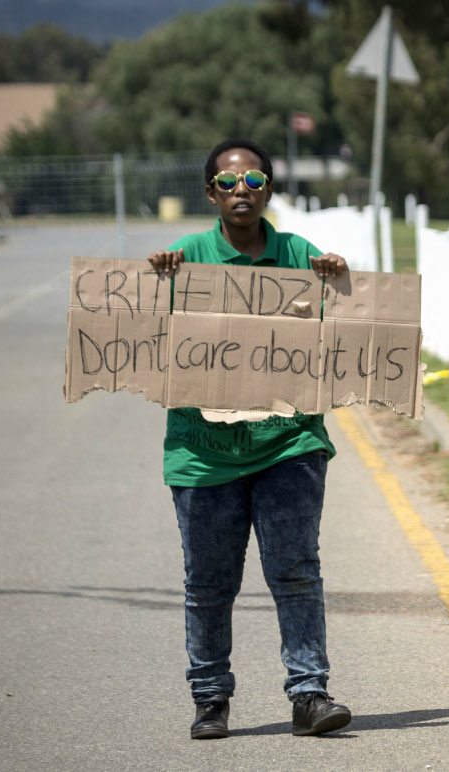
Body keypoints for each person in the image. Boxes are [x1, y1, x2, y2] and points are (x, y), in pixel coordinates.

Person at [147, 138, 351, 740]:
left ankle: (309, 694)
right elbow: (139, 338)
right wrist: (157, 286)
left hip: (288, 444)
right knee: (208, 583)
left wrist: (338, 283)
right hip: (202, 453)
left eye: (255, 181)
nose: (243, 191)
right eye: (230, 183)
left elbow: (342, 327)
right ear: (210, 193)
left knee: (296, 571)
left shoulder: (299, 255)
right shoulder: (182, 259)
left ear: (268, 191)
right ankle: (210, 698)